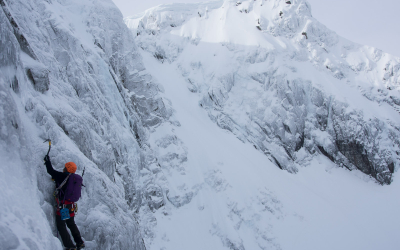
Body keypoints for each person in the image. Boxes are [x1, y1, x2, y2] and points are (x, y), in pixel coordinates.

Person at [44, 155, 85, 250]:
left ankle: (70, 246)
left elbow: (51, 171)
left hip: (63, 207)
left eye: (65, 167)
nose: (63, 168)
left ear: (67, 169)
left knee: (61, 225)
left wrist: (47, 161)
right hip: (71, 206)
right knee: (71, 223)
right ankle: (79, 242)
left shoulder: (63, 177)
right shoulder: (74, 179)